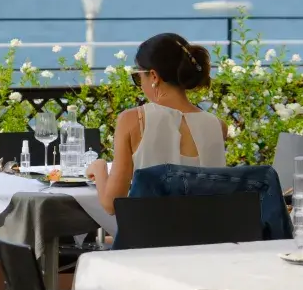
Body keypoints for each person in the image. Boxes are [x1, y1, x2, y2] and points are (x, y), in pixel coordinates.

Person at [86, 32, 227, 215]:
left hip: (150, 239)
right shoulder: (218, 126)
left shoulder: (133, 120)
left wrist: (99, 168)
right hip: (207, 238)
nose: (140, 83)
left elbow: (113, 204)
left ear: (153, 76)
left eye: (138, 77)